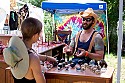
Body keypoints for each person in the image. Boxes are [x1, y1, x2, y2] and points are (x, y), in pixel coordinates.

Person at [3, 17, 57, 83]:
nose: (40, 36)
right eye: (39, 33)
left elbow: (30, 55)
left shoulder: (15, 51)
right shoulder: (33, 58)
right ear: (35, 35)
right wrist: (42, 69)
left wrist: (48, 58)